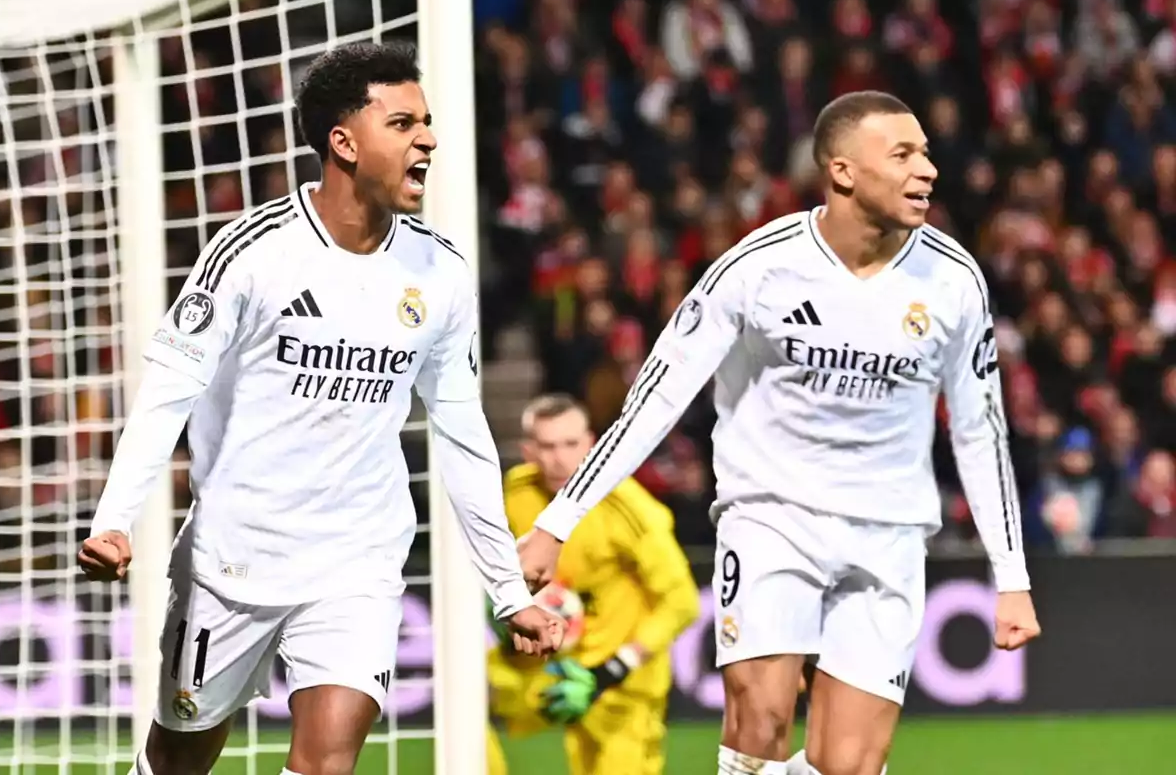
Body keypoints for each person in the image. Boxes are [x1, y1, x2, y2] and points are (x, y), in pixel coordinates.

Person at [517, 91, 1042, 775]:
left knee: (847, 765)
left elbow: (981, 430)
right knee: (758, 723)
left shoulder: (953, 281)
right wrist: (560, 522)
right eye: (904, 154)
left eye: (928, 152)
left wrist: (1011, 575)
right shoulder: (757, 268)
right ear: (844, 172)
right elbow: (655, 400)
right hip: (772, 517)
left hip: (889, 532)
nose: (928, 170)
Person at [77, 41, 562, 775]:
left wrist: (504, 589)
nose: (427, 138)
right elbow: (168, 389)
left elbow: (463, 436)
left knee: (325, 765)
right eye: (402, 124)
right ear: (343, 141)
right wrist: (114, 519)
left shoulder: (440, 271)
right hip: (234, 561)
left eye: (426, 123)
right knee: (177, 759)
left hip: (356, 562)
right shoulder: (252, 252)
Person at [486, 394, 699, 775]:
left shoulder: (627, 506)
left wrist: (610, 670)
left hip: (621, 684)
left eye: (571, 444)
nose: (560, 458)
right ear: (528, 450)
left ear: (592, 444)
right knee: (463, 709)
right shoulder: (514, 494)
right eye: (547, 446)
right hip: (552, 668)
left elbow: (682, 602)